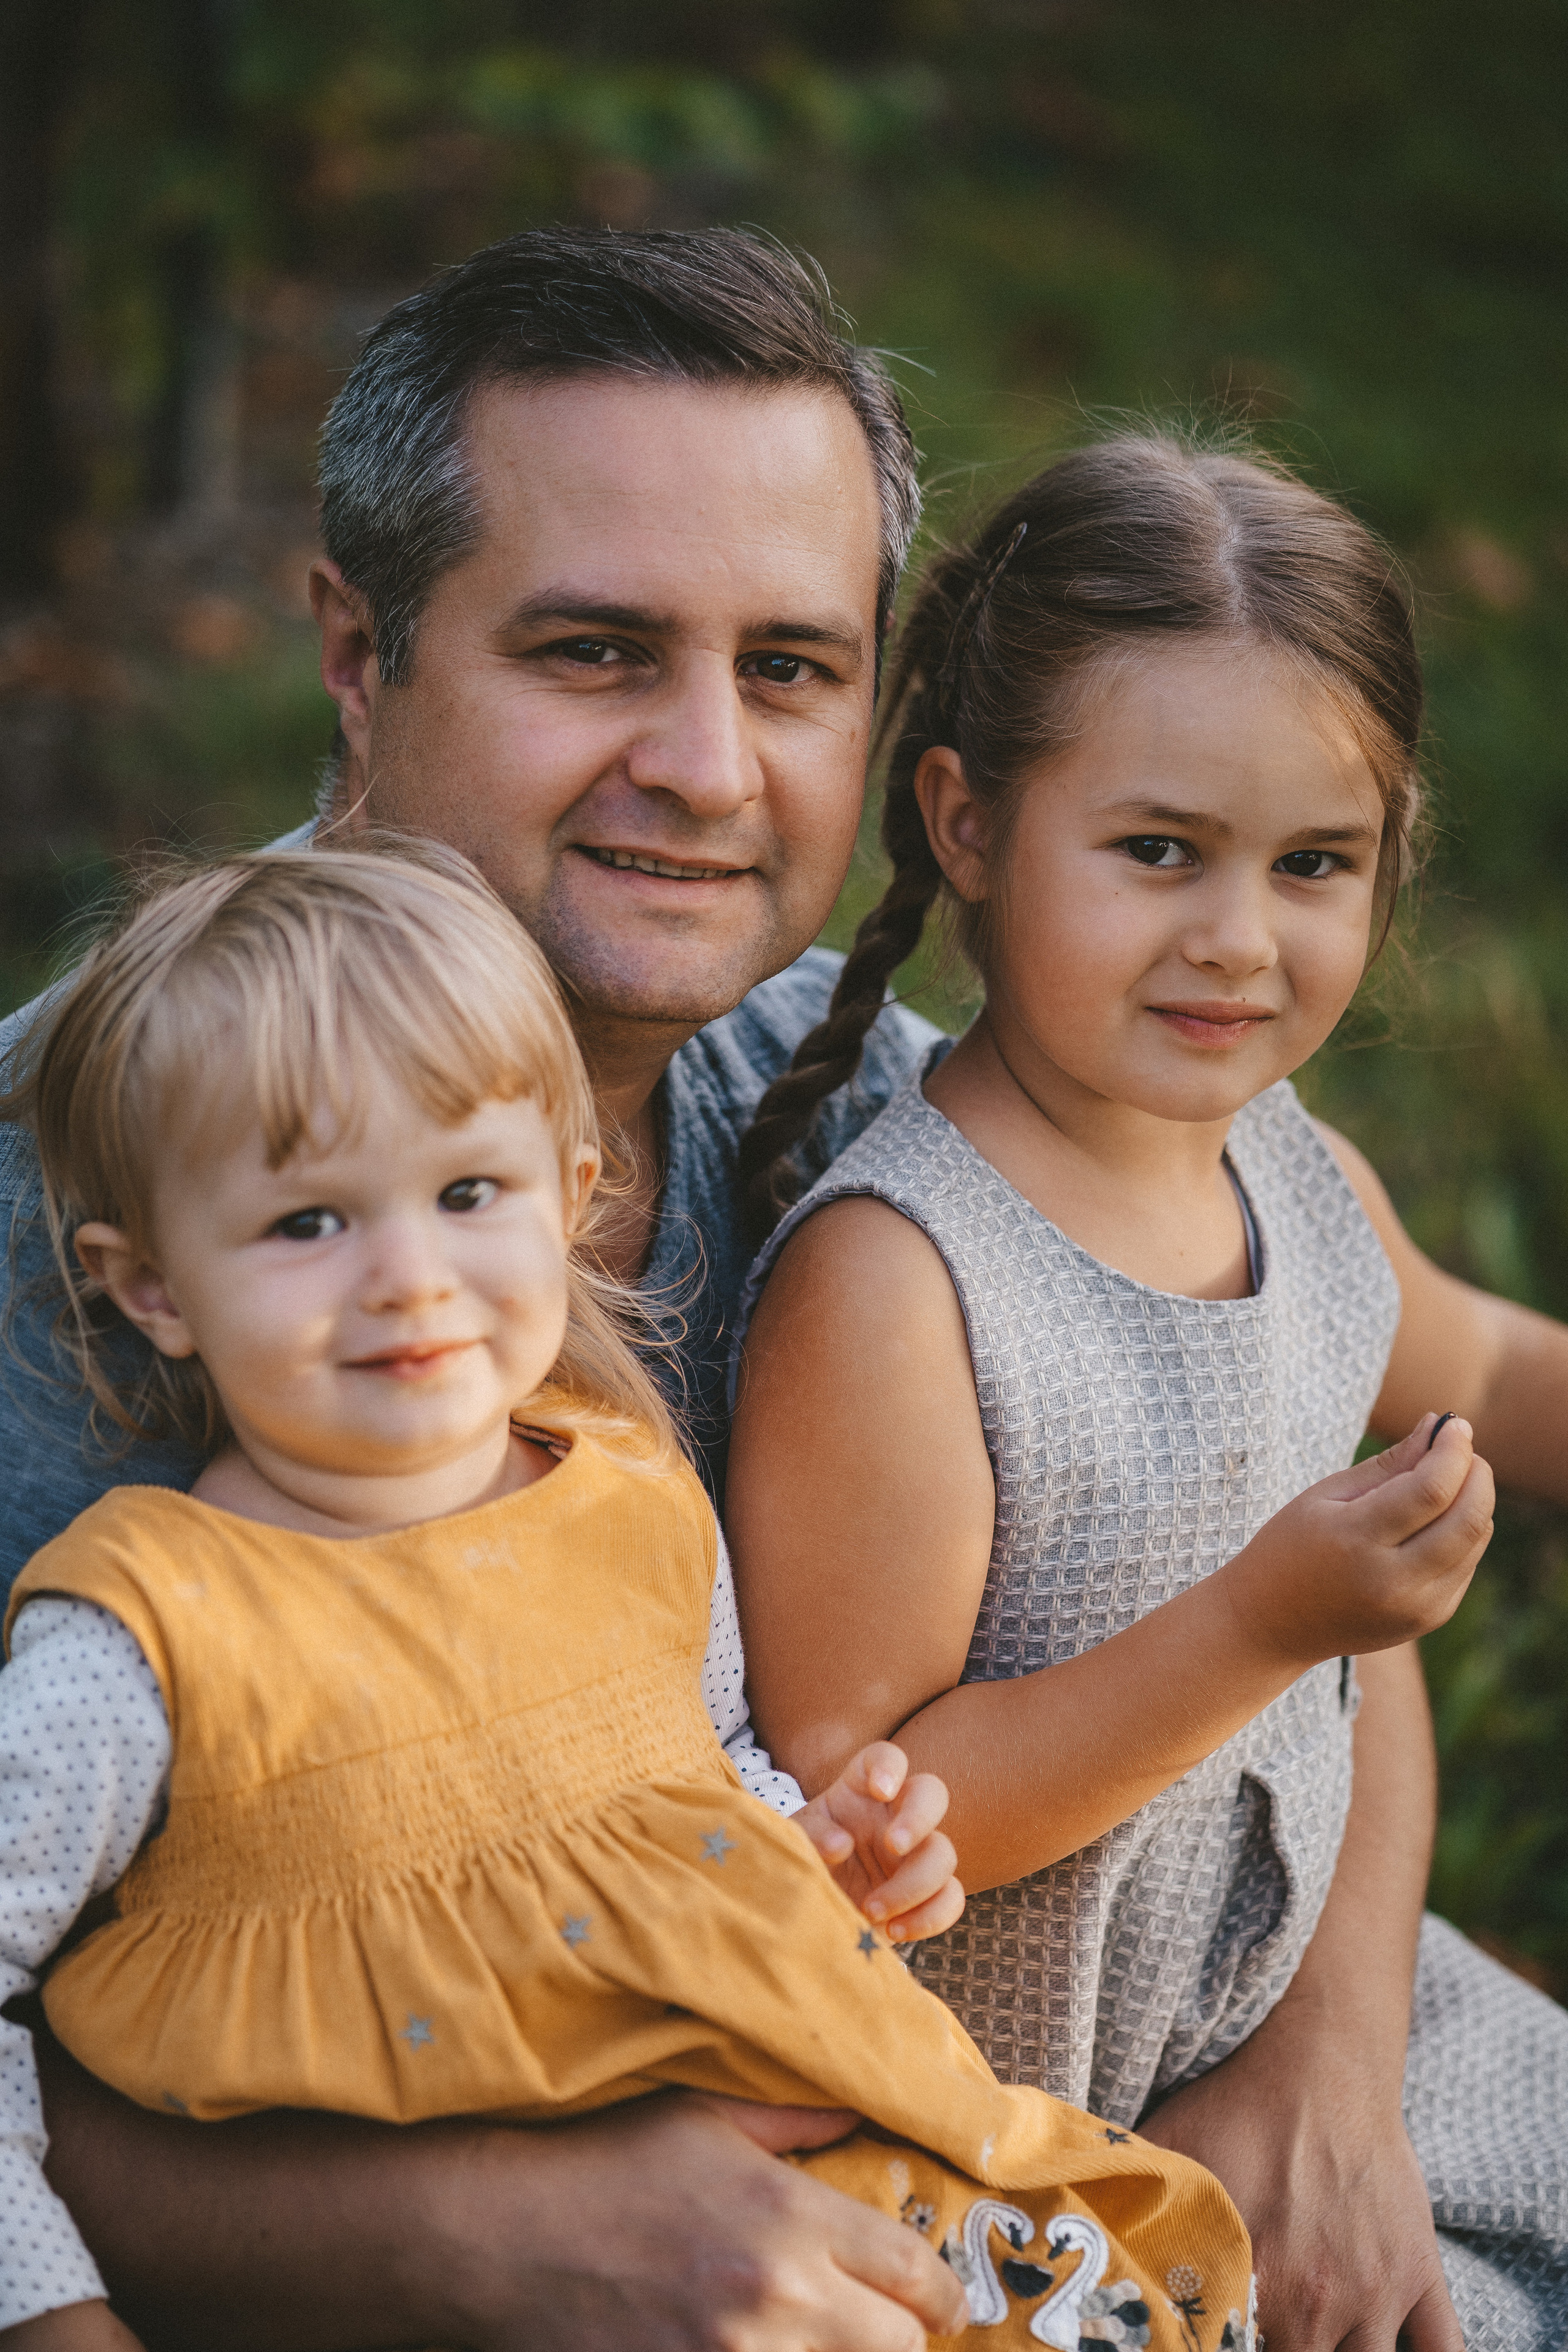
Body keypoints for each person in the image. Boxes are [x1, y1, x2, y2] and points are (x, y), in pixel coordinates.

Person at [0, 228, 967, 2352]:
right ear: (360, 654)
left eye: (790, 669)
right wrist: (488, 2242)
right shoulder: (61, 1211)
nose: (708, 764)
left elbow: (1298, 1398)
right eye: (599, 651)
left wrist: (1320, 2052)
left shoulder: (873, 1103)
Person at [1, 843, 1255, 2352]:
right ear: (152, 1286)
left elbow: (699, 1786)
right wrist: (54, 2316)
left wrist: (819, 1858)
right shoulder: (144, 1635)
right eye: (307, 1223)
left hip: (834, 2201)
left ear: (567, 1197)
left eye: (467, 1191)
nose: (405, 1276)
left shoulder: (629, 1490)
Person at [726, 434, 1568, 2352]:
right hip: (1035, 2142)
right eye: (1160, 851)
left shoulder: (1297, 1171)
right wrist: (1265, 1624)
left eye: (1313, 865)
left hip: (1300, 2004)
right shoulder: (902, 1286)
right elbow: (869, 1821)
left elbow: (1494, 1363)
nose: (1239, 939)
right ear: (966, 825)